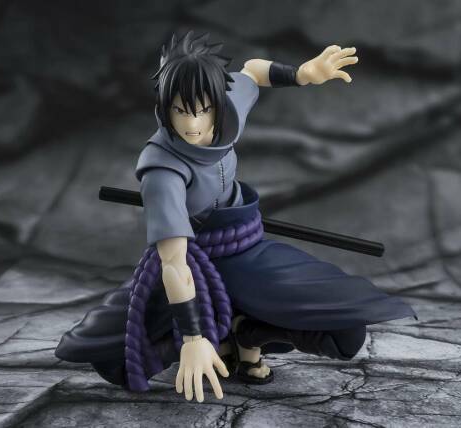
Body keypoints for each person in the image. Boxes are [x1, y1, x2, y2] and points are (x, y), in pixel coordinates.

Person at [55, 31, 417, 403]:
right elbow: (174, 262)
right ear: (164, 108)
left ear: (217, 103)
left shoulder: (228, 105)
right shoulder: (162, 171)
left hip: (244, 247)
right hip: (194, 261)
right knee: (113, 363)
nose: (192, 123)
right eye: (180, 110)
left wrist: (302, 74)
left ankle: (247, 332)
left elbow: (253, 71)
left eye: (202, 109)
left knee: (345, 335)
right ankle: (215, 336)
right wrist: (193, 338)